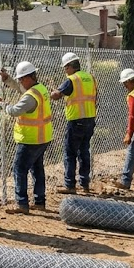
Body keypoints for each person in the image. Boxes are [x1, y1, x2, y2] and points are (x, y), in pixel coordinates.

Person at [0, 61, 52, 214]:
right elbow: (21, 89)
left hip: (30, 139)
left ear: (29, 78)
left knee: (19, 170)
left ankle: (22, 203)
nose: (20, 82)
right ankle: (40, 201)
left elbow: (14, 111)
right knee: (37, 169)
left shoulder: (30, 97)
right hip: (42, 137)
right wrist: (8, 80)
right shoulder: (40, 89)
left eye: (21, 79)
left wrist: (2, 104)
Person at [50, 52, 97, 194]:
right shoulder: (90, 78)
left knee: (70, 153)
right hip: (90, 119)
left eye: (65, 68)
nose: (65, 71)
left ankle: (70, 185)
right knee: (84, 152)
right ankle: (85, 183)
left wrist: (52, 92)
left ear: (70, 66)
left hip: (76, 121)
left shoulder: (72, 80)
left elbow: (57, 95)